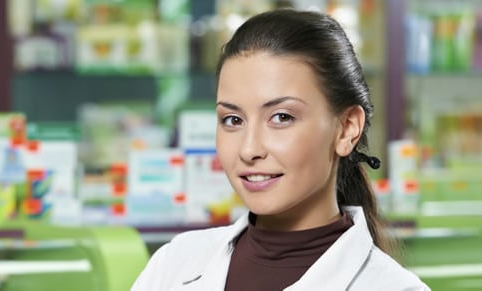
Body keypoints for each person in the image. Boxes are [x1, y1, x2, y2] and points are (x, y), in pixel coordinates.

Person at [132, 9, 429, 291]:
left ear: (347, 128)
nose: (249, 150)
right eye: (232, 120)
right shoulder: (173, 265)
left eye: (282, 117)